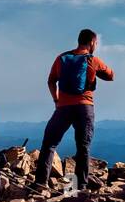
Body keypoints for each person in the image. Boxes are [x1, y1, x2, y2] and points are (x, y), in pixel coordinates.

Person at [34, 29, 114, 192]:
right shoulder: (93, 60)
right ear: (92, 42)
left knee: (49, 144)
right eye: (96, 43)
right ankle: (80, 187)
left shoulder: (61, 58)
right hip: (84, 107)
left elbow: (50, 81)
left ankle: (40, 183)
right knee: (83, 147)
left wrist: (56, 100)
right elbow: (111, 75)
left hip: (63, 107)